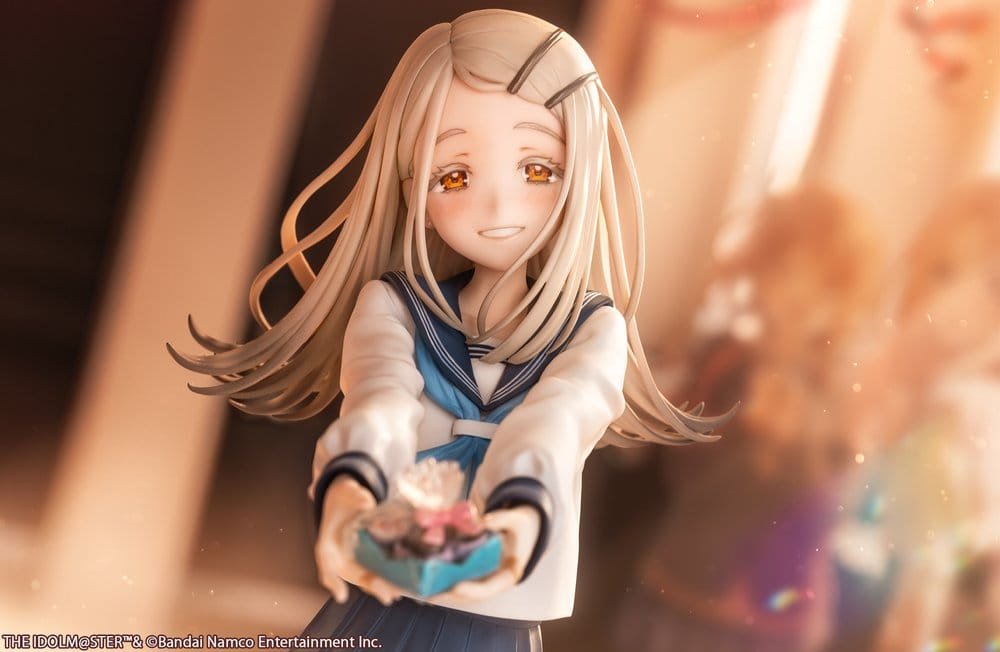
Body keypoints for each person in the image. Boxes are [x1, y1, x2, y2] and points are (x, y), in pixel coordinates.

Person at [169, 9, 728, 651]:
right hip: (388, 593)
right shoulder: (395, 307)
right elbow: (380, 401)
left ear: (581, 170)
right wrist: (351, 484)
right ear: (416, 192)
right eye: (454, 176)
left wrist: (520, 516)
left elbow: (558, 420)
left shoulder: (590, 330)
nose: (497, 206)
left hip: (497, 617)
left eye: (537, 169)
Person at [614, 187, 882, 652]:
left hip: (767, 621)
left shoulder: (840, 392)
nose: (796, 296)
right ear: (757, 272)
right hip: (682, 593)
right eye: (782, 271)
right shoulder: (725, 362)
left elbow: (834, 505)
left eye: (822, 287)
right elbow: (672, 468)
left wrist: (793, 448)